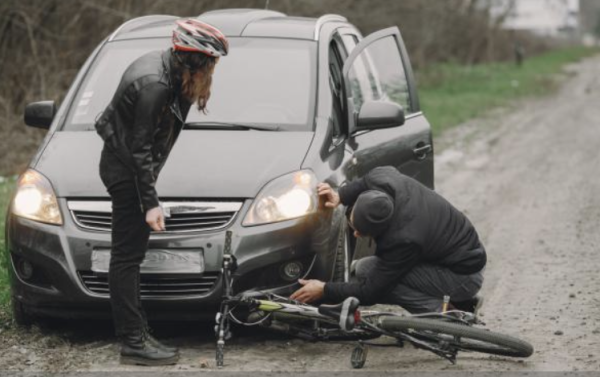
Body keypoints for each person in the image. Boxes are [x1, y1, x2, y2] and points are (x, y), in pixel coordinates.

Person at [95, 19, 228, 366]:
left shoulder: (171, 72)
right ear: (195, 61)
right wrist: (150, 203)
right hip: (126, 172)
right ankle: (132, 342)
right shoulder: (154, 84)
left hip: (131, 167)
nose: (214, 70)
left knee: (130, 257)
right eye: (212, 63)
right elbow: (139, 148)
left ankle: (137, 330)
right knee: (126, 258)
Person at [291, 166, 486, 314]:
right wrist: (339, 195)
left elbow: (371, 292)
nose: (356, 234)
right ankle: (463, 303)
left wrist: (325, 289)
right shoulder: (385, 179)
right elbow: (364, 183)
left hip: (463, 276)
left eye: (360, 232)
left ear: (383, 229)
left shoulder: (403, 240)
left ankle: (445, 315)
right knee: (365, 268)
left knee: (380, 279)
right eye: (353, 226)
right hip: (454, 256)